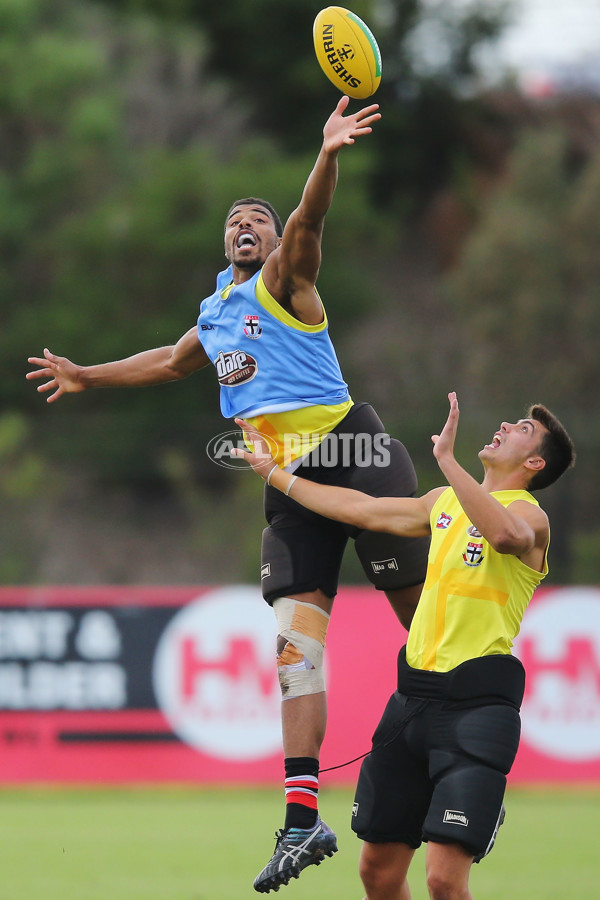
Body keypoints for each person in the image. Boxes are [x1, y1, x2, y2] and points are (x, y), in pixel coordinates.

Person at [26, 95, 430, 893]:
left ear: (276, 241)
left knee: (424, 627)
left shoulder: (286, 282)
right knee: (293, 657)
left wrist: (327, 156)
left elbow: (312, 223)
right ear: (224, 241)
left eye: (259, 218)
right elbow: (168, 362)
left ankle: (462, 751)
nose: (246, 224)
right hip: (288, 487)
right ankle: (300, 822)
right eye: (235, 219)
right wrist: (86, 374)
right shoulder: (215, 313)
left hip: (356, 452)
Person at [233, 391, 575, 899]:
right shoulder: (441, 503)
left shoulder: (531, 516)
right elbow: (362, 509)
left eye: (523, 428)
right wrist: (275, 475)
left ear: (534, 462)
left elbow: (503, 536)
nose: (506, 424)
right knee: (377, 871)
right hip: (411, 705)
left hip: (476, 708)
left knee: (442, 880)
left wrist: (447, 462)